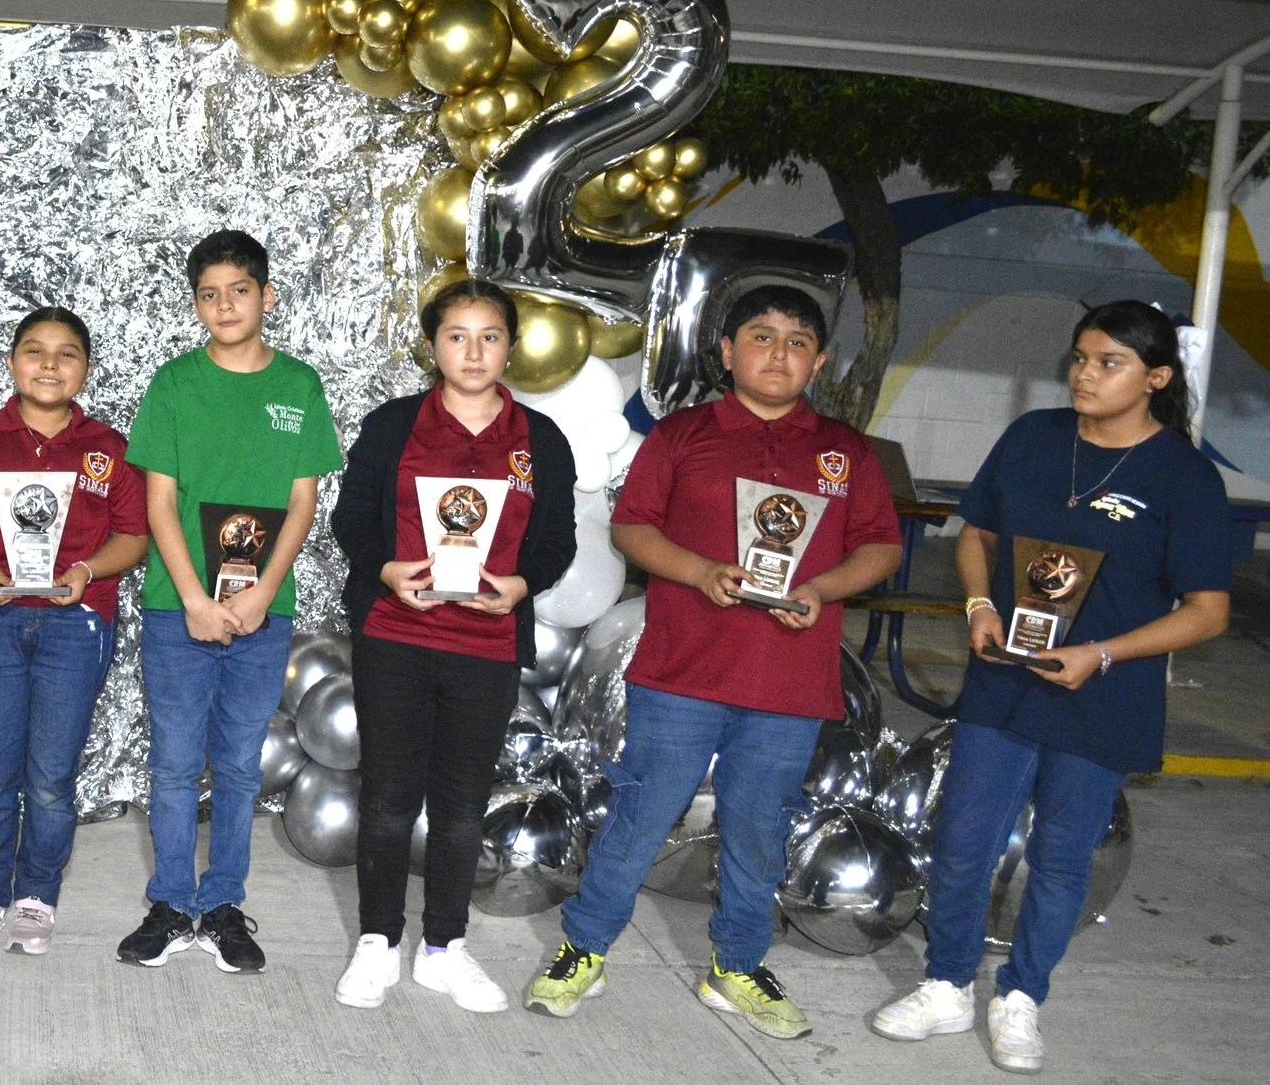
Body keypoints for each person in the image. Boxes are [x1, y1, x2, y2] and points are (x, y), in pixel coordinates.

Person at [524, 284, 903, 1038]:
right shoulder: (682, 436)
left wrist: (822, 588)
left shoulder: (846, 452)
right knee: (641, 815)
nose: (779, 354)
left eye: (798, 343)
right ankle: (584, 948)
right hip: (682, 673)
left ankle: (737, 964)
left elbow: (883, 547)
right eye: (761, 337)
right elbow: (632, 528)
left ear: (819, 360)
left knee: (760, 831)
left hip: (787, 681)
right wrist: (700, 572)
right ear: (728, 352)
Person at [871, 301, 1230, 1074]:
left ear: (1156, 378)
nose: (1084, 374)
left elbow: (1208, 611)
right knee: (963, 838)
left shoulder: (1184, 477)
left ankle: (1022, 996)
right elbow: (977, 533)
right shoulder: (1034, 437)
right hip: (1006, 678)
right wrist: (978, 604)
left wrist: (1101, 653)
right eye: (1079, 358)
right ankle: (946, 984)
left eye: (1109, 363)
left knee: (1062, 856)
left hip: (1102, 692)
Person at [328, 279, 576, 1010]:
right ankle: (378, 942)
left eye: (489, 336)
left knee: (463, 806)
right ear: (432, 345)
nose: (473, 351)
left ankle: (444, 947)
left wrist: (522, 583)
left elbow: (557, 540)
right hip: (396, 636)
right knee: (387, 799)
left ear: (511, 347)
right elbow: (351, 518)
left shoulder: (540, 440)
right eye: (457, 336)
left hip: (486, 645)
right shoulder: (394, 425)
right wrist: (385, 569)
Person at [117, 228, 342, 974]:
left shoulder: (299, 386)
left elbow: (303, 503)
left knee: (241, 766)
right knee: (176, 765)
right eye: (209, 295)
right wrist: (193, 598)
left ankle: (221, 906)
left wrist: (262, 593)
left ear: (266, 297)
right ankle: (169, 904)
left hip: (262, 614)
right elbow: (159, 502)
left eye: (239, 291)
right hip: (176, 608)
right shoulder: (174, 384)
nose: (225, 305)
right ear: (196, 306)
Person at [0, 307, 150, 955]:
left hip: (76, 623)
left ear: (87, 369)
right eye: (34, 350)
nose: (50, 364)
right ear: (12, 362)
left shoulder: (108, 448)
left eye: (66, 353)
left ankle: (36, 896)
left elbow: (134, 535)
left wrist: (87, 570)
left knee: (50, 776)